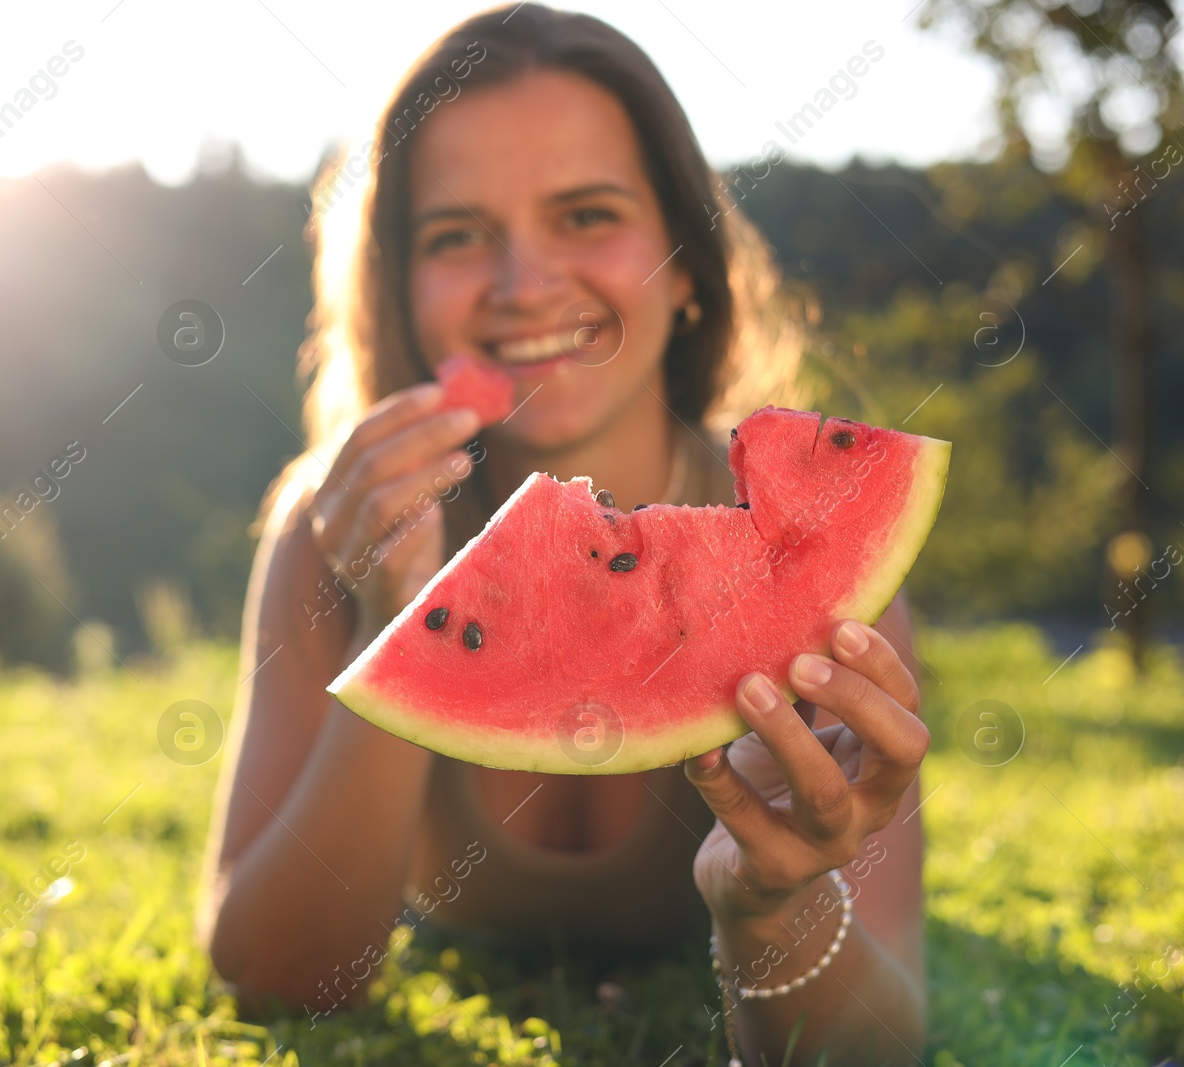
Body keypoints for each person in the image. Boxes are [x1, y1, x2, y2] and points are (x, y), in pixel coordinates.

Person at [198, 6, 929, 1062]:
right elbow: (276, 980)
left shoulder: (802, 547)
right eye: (456, 234)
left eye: (586, 214)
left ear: (685, 266)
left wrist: (773, 910)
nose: (524, 283)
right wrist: (392, 622)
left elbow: (881, 1046)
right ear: (398, 287)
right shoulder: (335, 530)